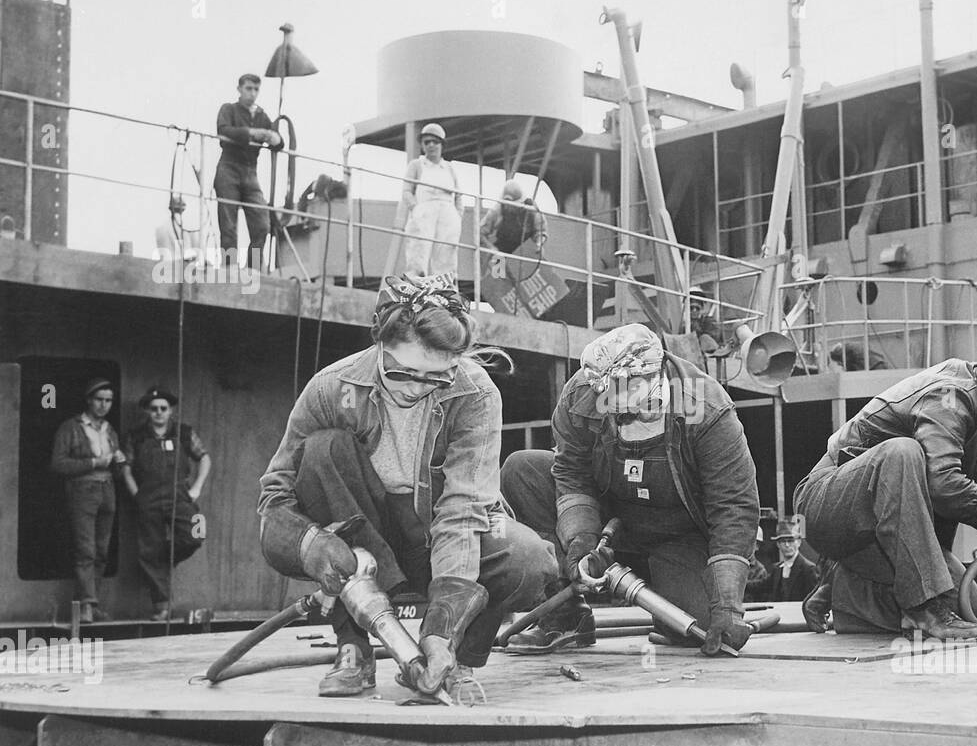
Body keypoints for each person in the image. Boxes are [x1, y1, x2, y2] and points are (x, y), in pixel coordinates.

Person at [258, 275, 554, 698]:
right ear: (380, 343)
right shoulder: (331, 388)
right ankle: (353, 650)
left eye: (435, 378)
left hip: (438, 536)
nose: (417, 389)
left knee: (526, 559)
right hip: (364, 537)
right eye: (403, 373)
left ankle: (456, 662)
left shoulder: (475, 395)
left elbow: (462, 511)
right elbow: (276, 495)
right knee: (324, 449)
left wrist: (441, 629)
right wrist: (313, 546)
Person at [794, 333, 977, 639]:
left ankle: (843, 590)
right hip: (829, 506)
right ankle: (922, 609)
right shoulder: (949, 395)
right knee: (903, 453)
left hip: (883, 537)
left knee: (972, 611)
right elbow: (944, 484)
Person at [501, 323, 760, 656]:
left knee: (697, 627)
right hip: (610, 521)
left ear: (655, 377)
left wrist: (727, 604)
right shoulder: (583, 393)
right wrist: (580, 540)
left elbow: (734, 507)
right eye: (610, 399)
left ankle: (686, 598)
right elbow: (571, 473)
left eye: (630, 397)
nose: (618, 408)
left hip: (680, 536)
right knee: (522, 471)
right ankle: (566, 616)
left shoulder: (704, 408)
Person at [122, 387, 210, 620]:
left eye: (163, 408)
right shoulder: (136, 436)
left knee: (195, 533)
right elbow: (126, 467)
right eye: (154, 409)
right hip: (148, 499)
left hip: (179, 496)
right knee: (149, 550)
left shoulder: (183, 432)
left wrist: (197, 488)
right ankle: (161, 607)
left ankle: (161, 560)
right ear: (147, 411)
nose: (159, 413)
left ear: (170, 410)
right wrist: (136, 494)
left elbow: (205, 458)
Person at [50, 378, 127, 623]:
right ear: (88, 400)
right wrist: (93, 463)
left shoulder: (110, 429)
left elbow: (116, 464)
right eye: (99, 399)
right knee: (86, 549)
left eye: (108, 400)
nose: (104, 405)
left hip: (108, 489)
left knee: (102, 551)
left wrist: (119, 462)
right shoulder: (70, 427)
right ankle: (86, 605)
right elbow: (58, 464)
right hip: (82, 490)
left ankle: (92, 604)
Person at [215, 74, 283, 268]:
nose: (252, 93)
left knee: (262, 224)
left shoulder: (261, 116)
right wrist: (252, 133)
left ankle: (253, 268)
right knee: (229, 225)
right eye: (248, 88)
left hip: (250, 173)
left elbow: (278, 142)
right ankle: (229, 268)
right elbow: (223, 130)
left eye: (256, 89)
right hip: (228, 169)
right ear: (239, 89)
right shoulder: (229, 109)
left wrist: (275, 138)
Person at [390, 123, 463, 281]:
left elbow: (458, 196)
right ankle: (415, 285)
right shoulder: (416, 165)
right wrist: (415, 208)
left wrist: (457, 216)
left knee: (446, 253)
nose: (431, 145)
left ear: (442, 144)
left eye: (435, 142)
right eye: (426, 142)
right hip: (424, 212)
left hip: (448, 214)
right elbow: (407, 191)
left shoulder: (449, 168)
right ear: (422, 145)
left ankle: (445, 289)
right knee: (418, 250)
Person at [751, 518, 818, 603]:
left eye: (791, 541)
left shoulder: (808, 569)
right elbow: (761, 586)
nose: (787, 545)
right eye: (783, 541)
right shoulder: (777, 569)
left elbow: (813, 601)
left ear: (798, 542)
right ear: (778, 544)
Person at [479, 179, 546, 258]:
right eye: (506, 204)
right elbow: (480, 233)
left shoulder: (532, 210)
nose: (508, 207)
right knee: (497, 264)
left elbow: (541, 231)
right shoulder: (497, 210)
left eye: (513, 204)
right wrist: (491, 248)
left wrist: (539, 244)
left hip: (524, 252)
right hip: (501, 250)